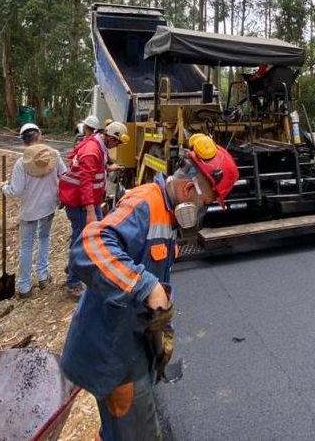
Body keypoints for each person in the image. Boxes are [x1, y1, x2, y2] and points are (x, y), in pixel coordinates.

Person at [61, 133, 238, 441]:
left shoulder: (167, 215)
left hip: (130, 343)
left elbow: (156, 274)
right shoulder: (144, 204)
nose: (202, 210)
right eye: (207, 203)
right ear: (189, 189)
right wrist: (144, 285)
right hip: (112, 352)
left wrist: (161, 332)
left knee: (120, 431)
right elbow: (88, 246)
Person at [59, 120, 129, 298]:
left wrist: (109, 168)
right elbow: (86, 183)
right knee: (82, 240)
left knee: (94, 237)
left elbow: (95, 168)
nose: (117, 146)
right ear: (110, 137)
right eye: (117, 143)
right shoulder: (92, 151)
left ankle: (74, 267)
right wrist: (90, 211)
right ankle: (73, 282)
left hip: (88, 202)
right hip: (81, 204)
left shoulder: (98, 145)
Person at [3, 123, 66, 298]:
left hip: (29, 210)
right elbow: (64, 175)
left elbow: (16, 191)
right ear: (40, 137)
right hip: (49, 206)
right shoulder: (54, 155)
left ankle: (24, 287)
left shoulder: (21, 163)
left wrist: (4, 187)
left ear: (23, 142)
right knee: (44, 238)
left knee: (26, 246)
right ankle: (43, 277)